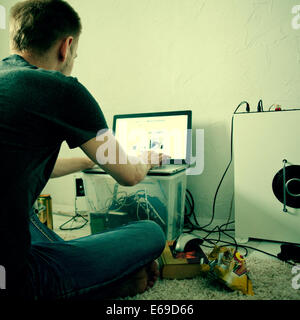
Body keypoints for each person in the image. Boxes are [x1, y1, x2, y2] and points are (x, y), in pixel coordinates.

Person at [0, 0, 166, 300]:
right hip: (7, 281)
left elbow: (19, 167)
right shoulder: (62, 89)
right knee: (151, 232)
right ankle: (104, 283)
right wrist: (145, 161)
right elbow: (129, 176)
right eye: (75, 54)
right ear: (66, 46)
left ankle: (87, 272)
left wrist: (83, 162)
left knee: (24, 215)